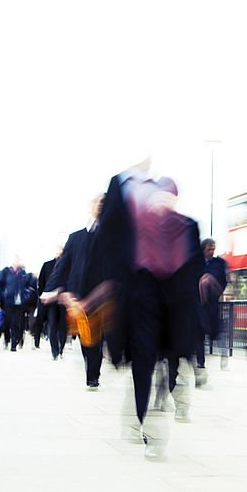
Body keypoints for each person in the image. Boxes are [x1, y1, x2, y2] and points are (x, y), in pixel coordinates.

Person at [86, 160, 202, 459]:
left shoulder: (189, 227)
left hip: (173, 316)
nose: (161, 200)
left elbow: (194, 274)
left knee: (165, 373)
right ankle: (150, 432)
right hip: (141, 311)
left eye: (168, 194)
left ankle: (152, 427)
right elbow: (109, 242)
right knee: (143, 369)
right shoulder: (135, 240)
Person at [43, 195, 105, 388]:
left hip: (101, 293)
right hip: (78, 294)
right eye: (98, 201)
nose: (101, 204)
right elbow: (63, 265)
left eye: (105, 201)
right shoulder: (76, 237)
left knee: (98, 334)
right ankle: (91, 368)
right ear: (91, 206)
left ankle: (93, 374)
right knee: (86, 334)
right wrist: (49, 289)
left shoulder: (112, 235)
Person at [194, 238, 229, 386]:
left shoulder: (219, 263)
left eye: (213, 248)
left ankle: (223, 353)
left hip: (212, 304)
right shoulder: (195, 263)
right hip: (197, 305)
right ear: (203, 249)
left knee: (216, 331)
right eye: (209, 249)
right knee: (199, 335)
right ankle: (201, 364)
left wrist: (213, 285)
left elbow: (224, 281)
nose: (212, 251)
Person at [0, 256, 37, 351]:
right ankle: (7, 339)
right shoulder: (6, 272)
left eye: (18, 260)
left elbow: (28, 285)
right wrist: (0, 295)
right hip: (7, 301)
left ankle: (14, 344)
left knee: (16, 323)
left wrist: (26, 294)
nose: (17, 262)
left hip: (18, 303)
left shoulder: (23, 273)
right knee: (7, 322)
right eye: (15, 260)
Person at [34, 248, 67, 359]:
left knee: (63, 325)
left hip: (63, 300)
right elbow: (41, 282)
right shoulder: (47, 265)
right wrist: (42, 296)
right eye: (57, 250)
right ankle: (55, 351)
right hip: (51, 302)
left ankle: (61, 347)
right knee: (52, 325)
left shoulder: (68, 265)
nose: (59, 252)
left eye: (61, 250)